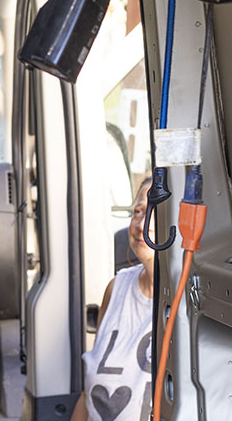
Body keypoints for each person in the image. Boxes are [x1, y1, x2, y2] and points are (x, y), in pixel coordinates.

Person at [72, 177, 155, 421]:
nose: (141, 225)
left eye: (154, 213)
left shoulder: (189, 303)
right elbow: (89, 393)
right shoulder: (116, 288)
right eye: (138, 212)